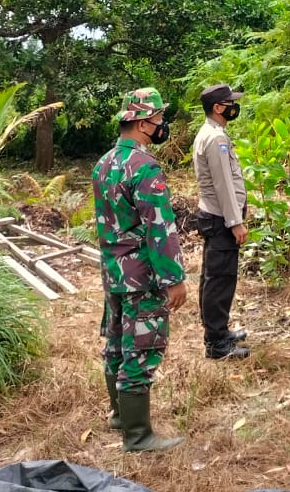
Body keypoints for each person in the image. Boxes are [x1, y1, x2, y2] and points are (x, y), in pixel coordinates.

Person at [93, 87, 188, 452]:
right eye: (160, 119)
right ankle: (138, 436)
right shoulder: (144, 167)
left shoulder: (103, 163)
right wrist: (174, 279)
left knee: (116, 344)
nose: (163, 125)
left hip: (113, 272)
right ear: (144, 123)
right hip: (141, 277)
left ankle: (120, 415)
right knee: (141, 349)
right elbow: (159, 227)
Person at [192, 82, 251, 360]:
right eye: (229, 103)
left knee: (214, 277)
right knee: (220, 279)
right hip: (220, 218)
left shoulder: (213, 133)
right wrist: (235, 222)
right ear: (218, 108)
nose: (233, 106)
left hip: (215, 216)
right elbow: (223, 184)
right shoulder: (216, 139)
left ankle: (218, 331)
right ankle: (216, 344)